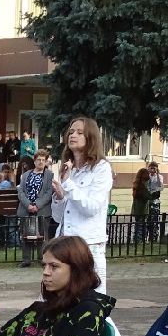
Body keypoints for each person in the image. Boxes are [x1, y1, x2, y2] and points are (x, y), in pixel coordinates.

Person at [52, 116, 114, 292]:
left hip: (89, 248)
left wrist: (69, 185)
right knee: (61, 302)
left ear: (90, 137)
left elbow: (91, 208)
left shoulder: (101, 168)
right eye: (71, 132)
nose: (73, 135)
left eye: (80, 132)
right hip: (64, 246)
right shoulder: (69, 169)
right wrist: (58, 197)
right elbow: (58, 217)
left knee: (92, 305)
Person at [17, 150, 54, 268]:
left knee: (42, 236)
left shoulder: (49, 175)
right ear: (34, 161)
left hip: (42, 209)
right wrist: (28, 204)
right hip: (26, 208)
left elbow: (49, 192)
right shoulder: (26, 174)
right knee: (25, 235)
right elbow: (21, 191)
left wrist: (37, 205)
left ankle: (42, 259)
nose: (41, 162)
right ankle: (26, 259)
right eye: (39, 160)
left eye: (43, 160)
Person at [131, 166, 155, 244]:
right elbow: (148, 196)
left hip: (136, 208)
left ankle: (136, 239)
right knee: (141, 225)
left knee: (138, 224)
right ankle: (138, 240)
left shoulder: (136, 184)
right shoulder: (143, 187)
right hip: (142, 209)